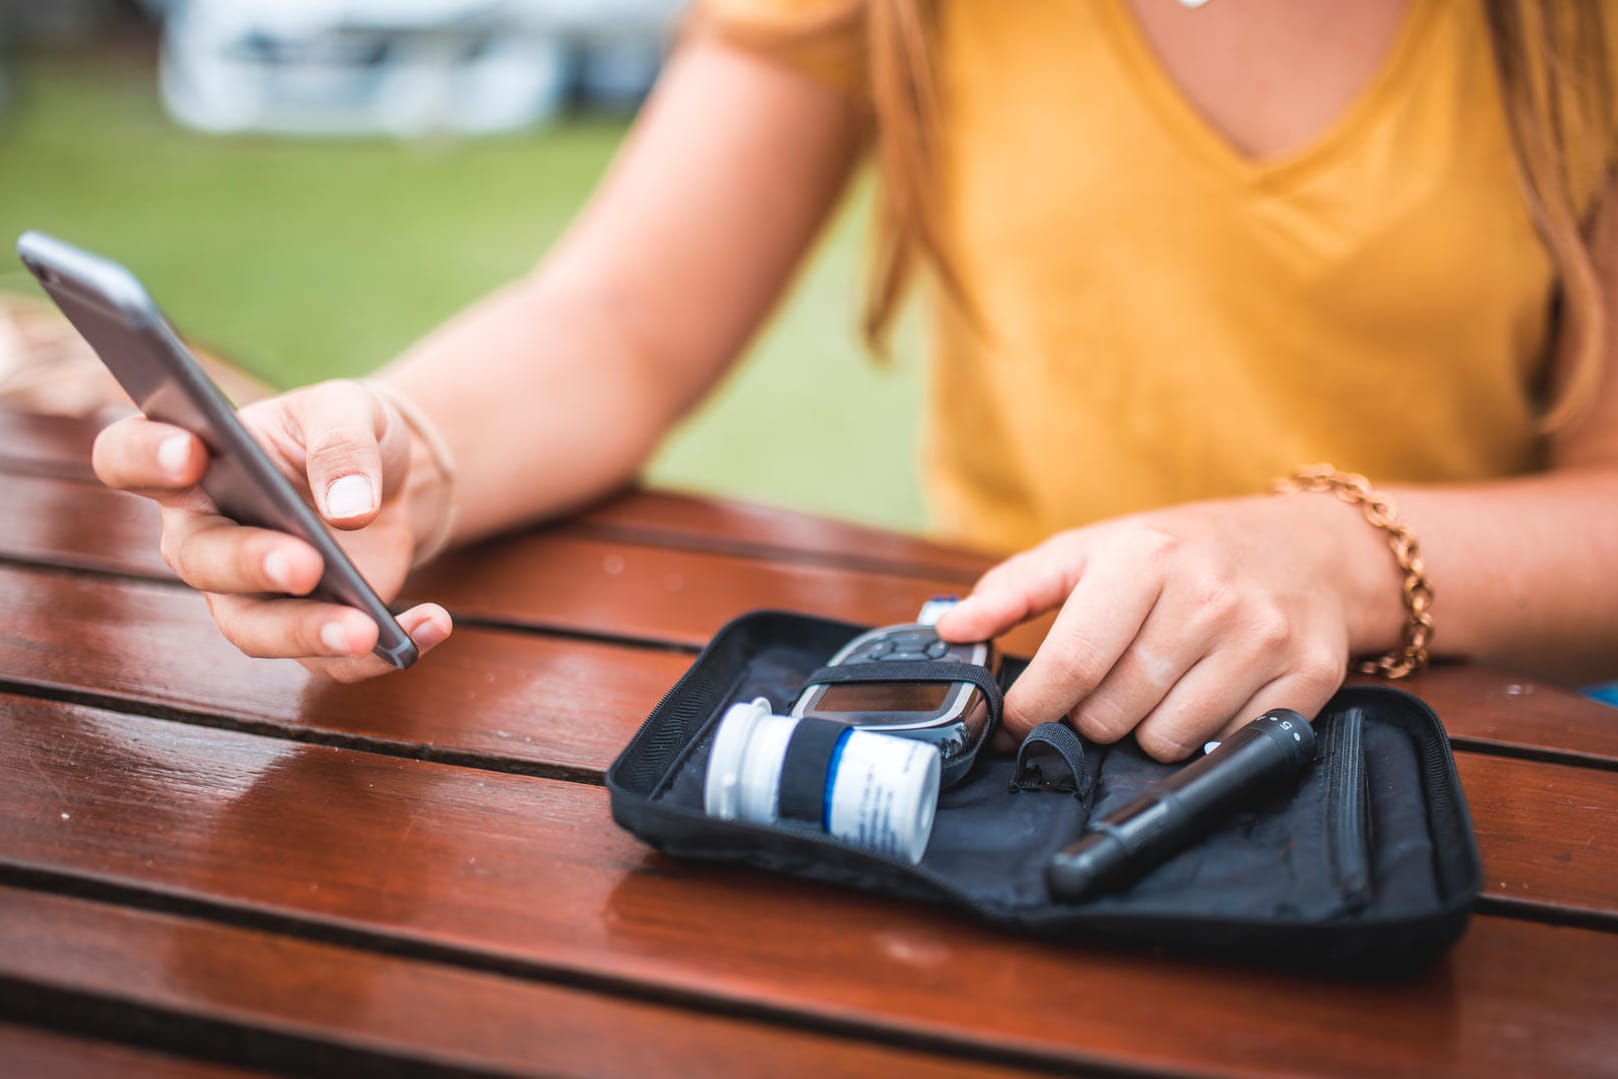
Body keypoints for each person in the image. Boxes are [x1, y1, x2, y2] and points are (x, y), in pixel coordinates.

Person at [92, 0, 1618, 761]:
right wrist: (413, 443)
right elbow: (623, 316)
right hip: (1026, 724)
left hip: (1485, 739)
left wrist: (1335, 557)